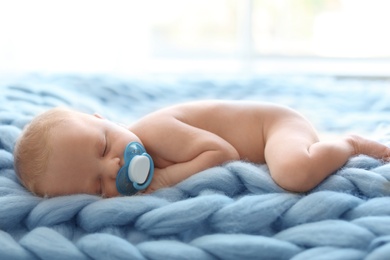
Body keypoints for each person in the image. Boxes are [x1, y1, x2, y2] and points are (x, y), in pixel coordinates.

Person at [13, 100, 390, 198]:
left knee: (293, 174)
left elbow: (222, 153)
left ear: (103, 119)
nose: (114, 168)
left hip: (273, 127)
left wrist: (163, 180)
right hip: (268, 136)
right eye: (98, 187)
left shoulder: (155, 131)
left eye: (104, 145)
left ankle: (348, 142)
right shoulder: (129, 157)